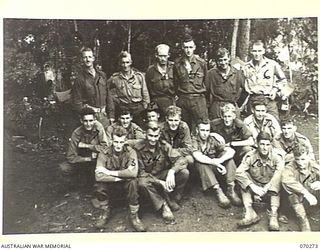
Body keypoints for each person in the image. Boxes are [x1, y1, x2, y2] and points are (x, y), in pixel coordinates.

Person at [93, 125, 146, 232]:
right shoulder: (104, 153)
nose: (118, 145)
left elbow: (133, 173)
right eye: (116, 142)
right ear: (111, 140)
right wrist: (120, 177)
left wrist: (108, 172)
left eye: (121, 142)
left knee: (133, 182)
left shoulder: (131, 152)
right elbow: (98, 175)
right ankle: (105, 212)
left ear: (125, 141)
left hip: (126, 186)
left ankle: (134, 216)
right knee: (99, 185)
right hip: (112, 185)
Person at [135, 121, 189, 220]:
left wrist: (171, 172)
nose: (153, 139)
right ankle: (163, 205)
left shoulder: (164, 145)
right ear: (145, 134)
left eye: (156, 136)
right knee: (142, 183)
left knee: (184, 173)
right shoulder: (138, 148)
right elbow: (141, 173)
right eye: (150, 135)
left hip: (161, 174)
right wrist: (160, 182)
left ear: (159, 134)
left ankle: (172, 196)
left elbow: (181, 160)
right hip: (147, 178)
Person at [235, 131, 285, 231]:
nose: (265, 148)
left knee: (279, 177)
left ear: (271, 145)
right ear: (257, 144)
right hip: (255, 185)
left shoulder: (277, 156)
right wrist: (253, 187)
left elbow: (278, 174)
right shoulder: (250, 155)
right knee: (243, 177)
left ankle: (273, 214)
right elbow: (238, 172)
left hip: (271, 186)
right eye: (262, 144)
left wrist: (266, 188)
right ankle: (250, 211)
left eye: (267, 144)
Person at [192, 119, 241, 207]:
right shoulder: (194, 140)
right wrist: (216, 163)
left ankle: (231, 189)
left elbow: (231, 151)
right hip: (200, 172)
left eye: (207, 130)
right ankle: (218, 191)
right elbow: (197, 155)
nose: (205, 133)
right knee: (201, 163)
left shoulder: (212, 139)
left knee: (228, 158)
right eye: (202, 130)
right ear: (197, 130)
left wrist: (220, 160)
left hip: (214, 166)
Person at [59, 107, 108, 188]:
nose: (88, 124)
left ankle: (97, 186)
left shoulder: (99, 128)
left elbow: (105, 147)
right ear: (81, 121)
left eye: (91, 120)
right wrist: (88, 159)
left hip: (97, 160)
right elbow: (70, 157)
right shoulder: (77, 133)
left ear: (95, 119)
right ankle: (75, 186)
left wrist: (87, 146)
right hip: (82, 160)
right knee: (64, 168)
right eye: (85, 121)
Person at [243, 40, 288, 120]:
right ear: (251, 51)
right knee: (252, 126)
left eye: (259, 51)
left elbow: (283, 80)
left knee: (273, 124)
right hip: (253, 99)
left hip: (268, 99)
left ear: (263, 51)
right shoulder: (246, 67)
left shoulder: (272, 64)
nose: (257, 54)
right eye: (254, 51)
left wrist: (274, 90)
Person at [173, 35, 208, 132]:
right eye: (186, 47)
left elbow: (206, 82)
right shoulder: (177, 64)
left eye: (190, 47)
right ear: (182, 48)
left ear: (194, 48)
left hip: (198, 99)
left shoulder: (202, 63)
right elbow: (176, 83)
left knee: (202, 125)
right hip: (183, 99)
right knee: (183, 127)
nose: (188, 50)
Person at [281, 142, 320, 231]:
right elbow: (286, 180)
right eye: (297, 159)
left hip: (308, 202)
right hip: (293, 203)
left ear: (308, 156)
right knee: (293, 193)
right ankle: (303, 221)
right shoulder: (290, 167)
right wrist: (306, 193)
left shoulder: (312, 164)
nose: (300, 163)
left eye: (303, 159)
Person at [107, 51, 150, 126]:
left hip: (138, 109)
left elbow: (145, 94)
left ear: (131, 62)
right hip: (124, 109)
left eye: (127, 62)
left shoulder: (139, 76)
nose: (125, 65)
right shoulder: (115, 78)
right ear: (120, 63)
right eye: (123, 63)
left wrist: (144, 108)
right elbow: (108, 93)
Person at [71, 47, 110, 129]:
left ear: (93, 58)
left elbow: (108, 96)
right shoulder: (79, 79)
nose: (87, 60)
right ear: (82, 59)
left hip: (104, 115)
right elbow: (77, 103)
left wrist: (112, 115)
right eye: (85, 57)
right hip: (90, 118)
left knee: (107, 139)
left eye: (89, 57)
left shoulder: (102, 75)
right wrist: (88, 115)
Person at [206, 48, 245, 119]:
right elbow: (206, 92)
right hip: (217, 107)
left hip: (232, 106)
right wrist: (210, 106)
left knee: (234, 127)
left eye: (225, 59)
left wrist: (238, 104)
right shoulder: (211, 74)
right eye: (220, 60)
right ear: (217, 61)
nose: (223, 63)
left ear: (229, 58)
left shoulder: (237, 73)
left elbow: (245, 90)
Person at [145, 44, 176, 115]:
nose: (163, 58)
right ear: (156, 55)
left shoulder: (174, 68)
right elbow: (147, 89)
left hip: (172, 101)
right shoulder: (151, 70)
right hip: (156, 103)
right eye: (160, 56)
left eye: (165, 56)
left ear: (169, 55)